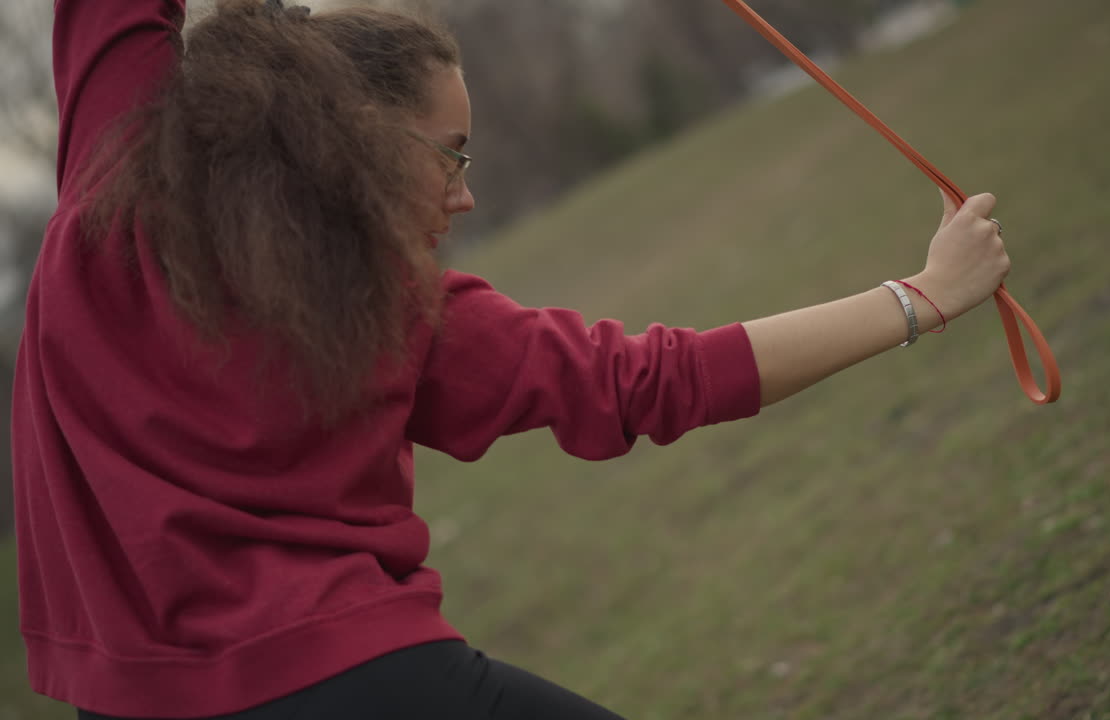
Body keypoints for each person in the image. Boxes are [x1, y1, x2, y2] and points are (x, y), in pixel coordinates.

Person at [11, 0, 1010, 718]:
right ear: (348, 136)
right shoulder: (395, 306)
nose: (465, 194)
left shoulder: (114, 170)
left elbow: (651, 381)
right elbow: (658, 381)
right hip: (362, 683)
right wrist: (920, 298)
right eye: (452, 153)